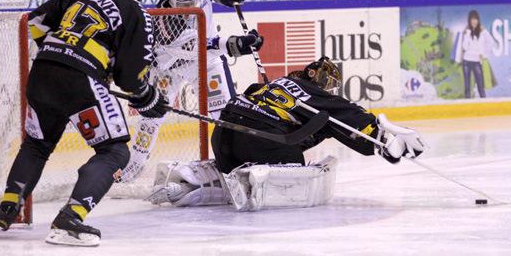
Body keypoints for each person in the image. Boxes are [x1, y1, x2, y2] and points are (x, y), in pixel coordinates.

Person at [0, 0, 167, 246]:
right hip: (80, 80)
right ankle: (71, 218)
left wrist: (65, 53)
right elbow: (131, 78)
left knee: (37, 145)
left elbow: (35, 23)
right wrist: (148, 97)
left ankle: (6, 211)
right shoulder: (138, 13)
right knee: (115, 152)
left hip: (43, 73)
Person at [146, 57, 426, 211]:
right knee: (297, 164)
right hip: (262, 142)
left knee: (233, 166)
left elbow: (249, 97)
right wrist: (381, 140)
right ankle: (255, 177)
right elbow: (350, 117)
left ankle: (189, 186)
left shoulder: (280, 84)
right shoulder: (313, 94)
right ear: (312, 72)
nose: (326, 87)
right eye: (325, 79)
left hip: (223, 135)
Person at [119, 0, 264, 183]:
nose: (190, 8)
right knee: (151, 118)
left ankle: (238, 164)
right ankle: (129, 172)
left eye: (193, 2)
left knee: (225, 115)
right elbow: (205, 47)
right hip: (169, 67)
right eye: (184, 4)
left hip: (206, 63)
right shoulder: (165, 25)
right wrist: (237, 44)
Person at [460, 10, 496, 98]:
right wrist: (467, 33)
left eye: (476, 19)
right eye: (472, 19)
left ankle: (485, 106)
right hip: (466, 62)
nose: (474, 21)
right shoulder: (467, 32)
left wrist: (484, 54)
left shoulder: (482, 31)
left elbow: (491, 42)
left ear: (478, 20)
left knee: (481, 87)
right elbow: (464, 47)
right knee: (467, 87)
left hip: (477, 62)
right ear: (469, 20)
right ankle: (467, 107)